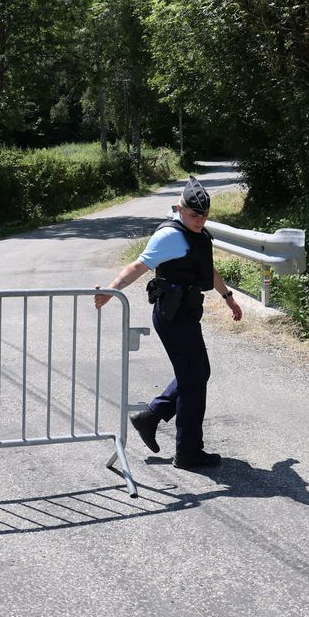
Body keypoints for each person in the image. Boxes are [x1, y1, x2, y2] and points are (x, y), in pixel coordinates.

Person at [94, 176, 243, 469]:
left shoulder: (197, 234)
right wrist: (112, 291)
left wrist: (228, 297)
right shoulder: (169, 236)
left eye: (204, 215)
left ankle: (150, 416)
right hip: (172, 316)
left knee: (199, 373)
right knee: (193, 382)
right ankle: (188, 452)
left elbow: (206, 268)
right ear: (179, 208)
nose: (199, 220)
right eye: (193, 215)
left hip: (187, 313)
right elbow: (137, 265)